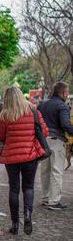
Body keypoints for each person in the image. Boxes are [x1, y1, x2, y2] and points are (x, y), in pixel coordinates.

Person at [0, 87, 49, 235]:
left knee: (13, 188)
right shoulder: (33, 112)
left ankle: (15, 225)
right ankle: (27, 216)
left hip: (11, 157)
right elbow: (44, 131)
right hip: (30, 156)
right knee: (29, 187)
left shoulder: (4, 116)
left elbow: (1, 136)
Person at [38, 81, 73, 210]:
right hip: (56, 140)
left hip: (43, 140)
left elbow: (36, 123)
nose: (67, 94)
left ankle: (46, 198)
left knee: (45, 170)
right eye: (67, 92)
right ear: (63, 93)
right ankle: (54, 201)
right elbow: (65, 124)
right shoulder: (62, 106)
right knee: (56, 170)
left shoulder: (42, 105)